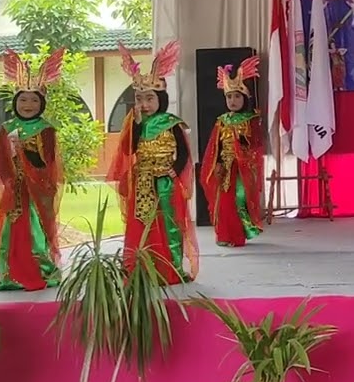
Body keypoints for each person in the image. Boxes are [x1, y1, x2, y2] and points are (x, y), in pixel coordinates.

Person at [110, 41, 199, 285]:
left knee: (169, 224)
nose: (145, 104)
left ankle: (170, 268)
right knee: (142, 223)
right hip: (142, 183)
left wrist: (175, 170)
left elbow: (183, 153)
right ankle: (141, 267)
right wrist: (137, 122)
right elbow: (128, 149)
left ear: (160, 98)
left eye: (149, 98)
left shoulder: (172, 123)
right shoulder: (134, 122)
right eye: (140, 99)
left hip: (167, 183)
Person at [0, 48, 66, 292]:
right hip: (15, 190)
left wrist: (25, 153)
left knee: (36, 231)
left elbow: (48, 162)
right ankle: (10, 275)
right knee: (12, 231)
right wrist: (8, 179)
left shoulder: (46, 129)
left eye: (33, 100)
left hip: (36, 191)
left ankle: (41, 270)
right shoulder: (7, 127)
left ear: (41, 103)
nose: (27, 104)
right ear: (15, 102)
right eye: (22, 99)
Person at [201, 56, 265, 247]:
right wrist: (218, 163)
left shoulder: (251, 118)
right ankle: (225, 235)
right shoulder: (222, 120)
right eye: (229, 97)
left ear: (244, 98)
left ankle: (239, 235)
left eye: (237, 96)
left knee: (239, 198)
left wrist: (243, 147)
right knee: (224, 201)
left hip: (243, 168)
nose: (233, 100)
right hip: (225, 166)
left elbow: (256, 144)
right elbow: (216, 146)